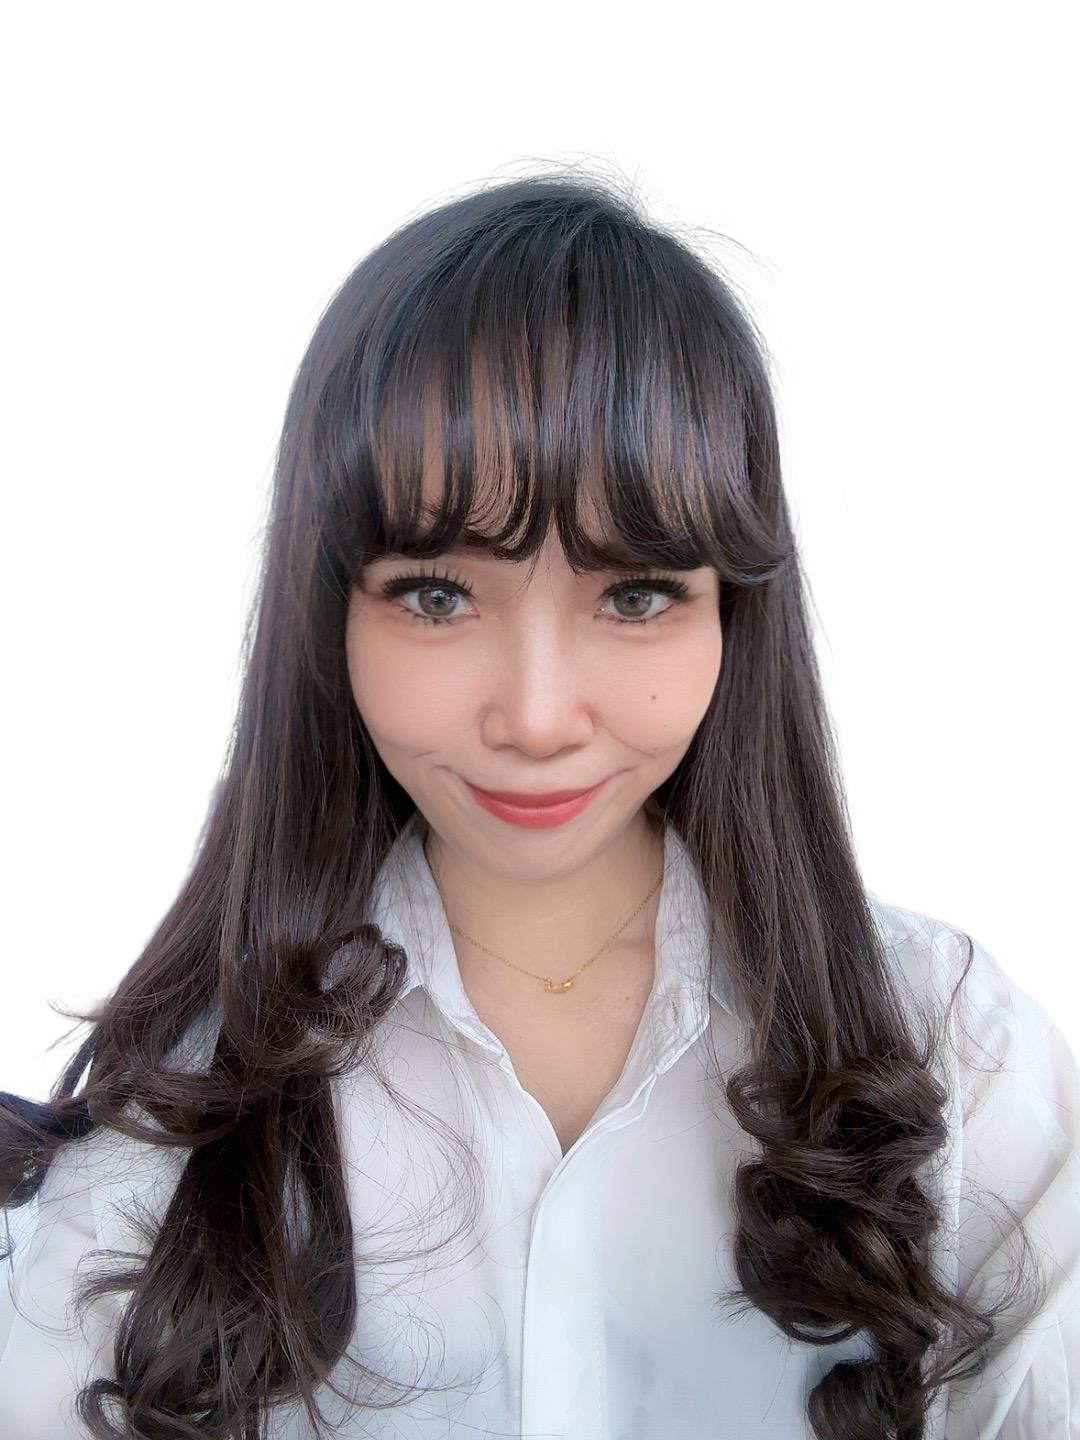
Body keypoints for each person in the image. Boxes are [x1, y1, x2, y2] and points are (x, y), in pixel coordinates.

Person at [1, 143, 1077, 1439]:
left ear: (735, 618)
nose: (536, 717)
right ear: (328, 613)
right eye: (436, 595)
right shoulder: (170, 1111)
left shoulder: (960, 1056)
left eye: (636, 595)